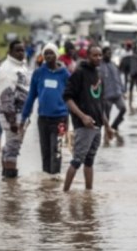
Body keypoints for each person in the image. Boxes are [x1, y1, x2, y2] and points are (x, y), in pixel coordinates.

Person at [62, 45, 114, 191]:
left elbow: (99, 104)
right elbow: (67, 97)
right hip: (84, 126)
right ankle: (64, 194)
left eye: (100, 55)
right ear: (87, 56)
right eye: (94, 55)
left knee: (90, 162)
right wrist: (83, 117)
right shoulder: (79, 73)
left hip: (97, 126)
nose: (98, 58)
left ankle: (88, 194)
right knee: (77, 161)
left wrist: (108, 126)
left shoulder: (98, 74)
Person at [21, 42, 70, 175]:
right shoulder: (38, 73)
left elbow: (71, 97)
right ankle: (47, 187)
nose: (48, 56)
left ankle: (55, 181)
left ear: (56, 55)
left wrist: (74, 119)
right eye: (46, 53)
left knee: (57, 152)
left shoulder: (65, 74)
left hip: (60, 119)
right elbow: (31, 96)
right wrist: (24, 116)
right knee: (45, 152)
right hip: (43, 119)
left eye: (51, 53)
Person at [0, 40, 30, 179]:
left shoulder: (20, 66)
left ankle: (6, 177)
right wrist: (12, 122)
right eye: (18, 50)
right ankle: (11, 185)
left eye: (23, 50)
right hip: (12, 115)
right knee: (13, 147)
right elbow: (6, 98)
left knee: (11, 145)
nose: (21, 53)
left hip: (20, 113)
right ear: (10, 52)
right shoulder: (7, 70)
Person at [99, 45, 128, 135]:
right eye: (108, 53)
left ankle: (115, 125)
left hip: (117, 93)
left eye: (110, 53)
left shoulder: (113, 65)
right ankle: (106, 133)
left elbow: (118, 78)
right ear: (103, 54)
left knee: (123, 109)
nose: (110, 55)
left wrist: (123, 91)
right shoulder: (99, 66)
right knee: (106, 115)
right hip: (106, 95)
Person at [119, 43, 137, 112]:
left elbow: (131, 66)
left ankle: (130, 104)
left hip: (133, 75)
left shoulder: (132, 56)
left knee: (131, 89)